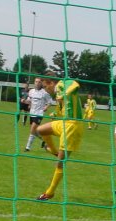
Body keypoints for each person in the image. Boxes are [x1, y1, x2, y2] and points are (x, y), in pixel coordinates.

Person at [36, 72, 84, 200]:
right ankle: (54, 150)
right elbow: (63, 107)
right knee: (39, 130)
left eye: (46, 86)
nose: (47, 90)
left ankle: (50, 192)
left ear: (51, 83)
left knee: (60, 164)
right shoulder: (58, 93)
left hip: (72, 126)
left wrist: (63, 92)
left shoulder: (62, 84)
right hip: (64, 123)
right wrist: (55, 114)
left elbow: (75, 84)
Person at [23, 78, 52, 151]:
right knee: (34, 131)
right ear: (34, 82)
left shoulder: (44, 93)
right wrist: (24, 101)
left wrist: (46, 107)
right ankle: (44, 140)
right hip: (32, 113)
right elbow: (29, 101)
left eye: (39, 82)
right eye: (36, 82)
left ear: (41, 83)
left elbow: (50, 102)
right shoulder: (31, 91)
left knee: (32, 130)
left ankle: (27, 147)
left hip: (39, 114)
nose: (37, 83)